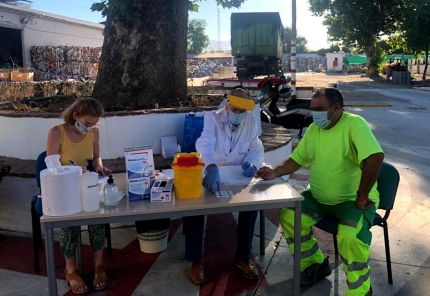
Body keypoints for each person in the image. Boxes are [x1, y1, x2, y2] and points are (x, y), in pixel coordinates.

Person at [256, 88, 384, 296]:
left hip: (353, 201)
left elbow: (375, 157)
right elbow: (297, 159)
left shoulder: (354, 124)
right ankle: (314, 265)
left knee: (349, 237)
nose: (315, 114)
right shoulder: (314, 129)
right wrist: (274, 171)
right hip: (318, 197)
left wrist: (362, 195)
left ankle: (360, 291)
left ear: (336, 108)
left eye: (320, 109)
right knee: (289, 215)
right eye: (313, 109)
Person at [183, 88, 264, 285]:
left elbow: (255, 145)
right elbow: (205, 141)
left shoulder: (251, 120)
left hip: (237, 174)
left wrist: (252, 163)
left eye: (241, 111)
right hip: (212, 170)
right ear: (227, 105)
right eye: (234, 109)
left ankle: (243, 257)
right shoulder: (212, 117)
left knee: (250, 205)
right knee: (194, 205)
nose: (237, 114)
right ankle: (195, 261)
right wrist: (210, 166)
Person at [46, 97, 112, 294]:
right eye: (87, 123)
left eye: (94, 124)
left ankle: (99, 267)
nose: (90, 128)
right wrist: (74, 171)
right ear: (75, 116)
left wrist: (99, 167)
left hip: (87, 184)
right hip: (64, 188)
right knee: (69, 224)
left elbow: (95, 156)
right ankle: (71, 270)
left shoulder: (94, 131)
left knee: (97, 218)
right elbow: (52, 166)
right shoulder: (57, 132)